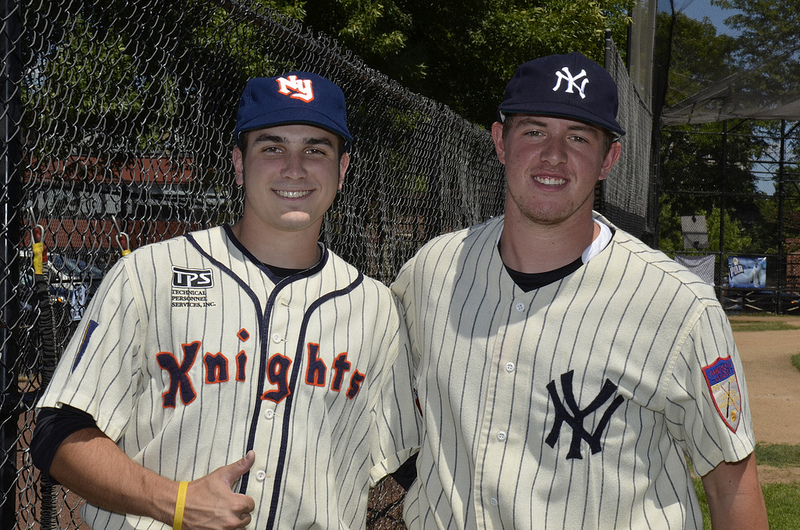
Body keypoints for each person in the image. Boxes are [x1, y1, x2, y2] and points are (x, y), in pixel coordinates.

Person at [391, 52, 768, 529]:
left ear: (608, 158)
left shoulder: (679, 307)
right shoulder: (432, 270)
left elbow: (731, 483)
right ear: (500, 142)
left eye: (578, 137)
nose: (553, 155)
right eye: (533, 131)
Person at [32, 71, 420, 530]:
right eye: (271, 147)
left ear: (343, 169)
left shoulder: (376, 308)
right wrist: (173, 502)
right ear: (238, 163)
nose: (294, 167)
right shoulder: (150, 274)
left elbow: (405, 458)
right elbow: (57, 433)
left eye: (315, 149)